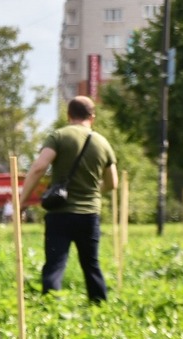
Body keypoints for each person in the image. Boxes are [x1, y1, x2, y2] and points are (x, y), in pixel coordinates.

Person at [20, 95, 117, 303]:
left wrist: (21, 200)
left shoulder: (59, 136)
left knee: (55, 264)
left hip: (60, 213)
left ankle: (51, 307)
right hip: (90, 214)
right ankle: (99, 304)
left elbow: (38, 167)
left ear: (68, 115)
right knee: (91, 263)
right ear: (93, 116)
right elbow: (112, 183)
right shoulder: (102, 142)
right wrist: (92, 190)